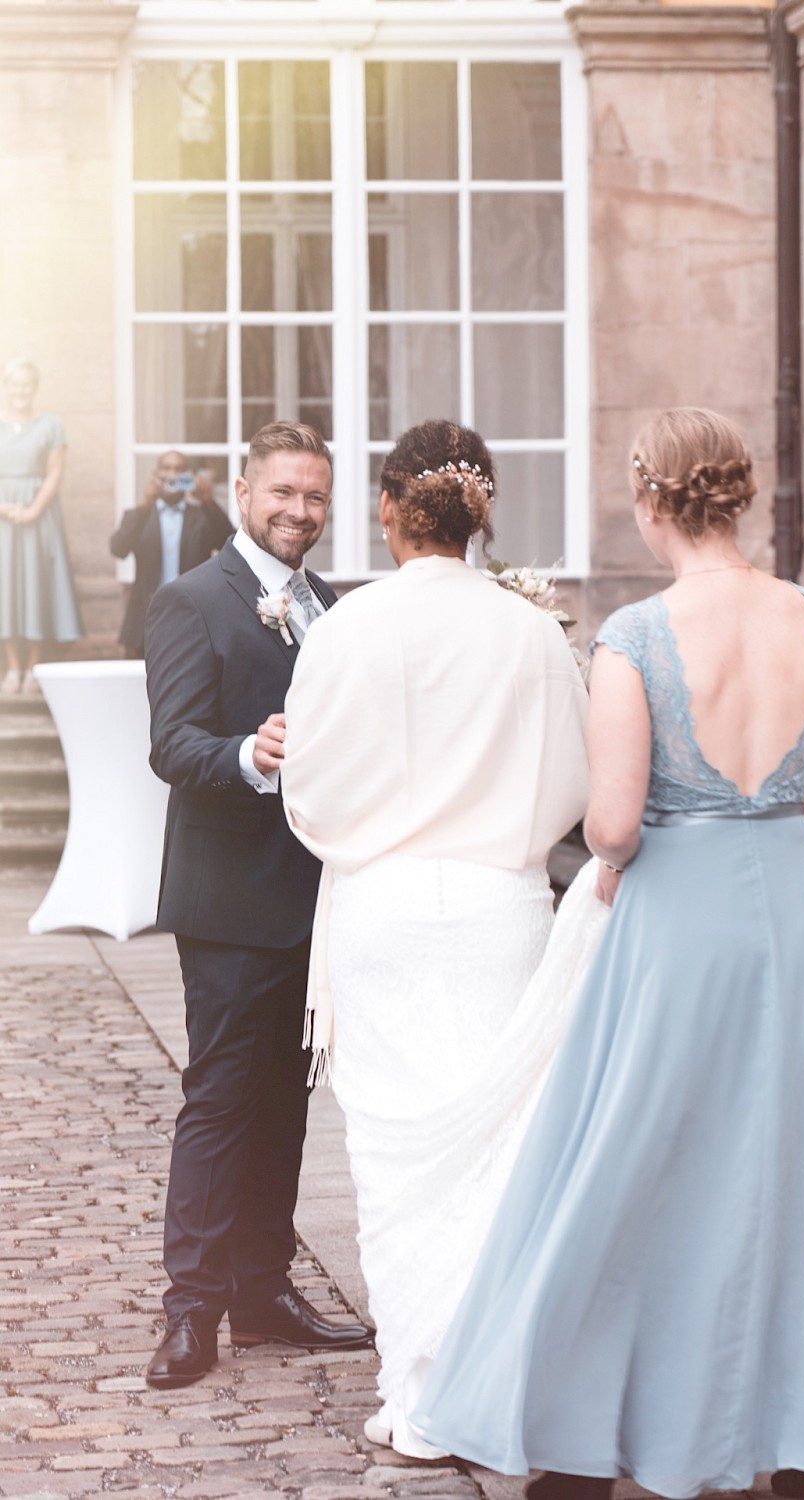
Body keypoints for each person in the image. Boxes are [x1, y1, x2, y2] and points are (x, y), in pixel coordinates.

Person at [412, 408, 804, 1500]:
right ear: (734, 496)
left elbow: (610, 825)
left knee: (632, 1161)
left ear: (652, 501)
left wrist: (630, 850)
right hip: (799, 913)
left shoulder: (635, 636)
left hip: (678, 923)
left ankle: (585, 1438)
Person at [280, 419, 595, 1457]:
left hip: (381, 912)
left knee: (393, 1162)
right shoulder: (531, 633)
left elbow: (311, 802)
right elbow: (573, 791)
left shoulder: (345, 631)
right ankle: (500, 1379)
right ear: (483, 513)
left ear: (385, 507)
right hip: (504, 911)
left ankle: (418, 1400)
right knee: (502, 1153)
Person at [143, 420, 372, 1391]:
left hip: (313, 901)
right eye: (283, 493)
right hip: (230, 900)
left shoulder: (329, 604)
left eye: (315, 497)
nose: (299, 512)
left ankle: (263, 1291)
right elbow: (172, 745)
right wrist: (249, 753)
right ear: (242, 493)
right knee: (222, 1099)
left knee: (286, 1102)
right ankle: (189, 1308)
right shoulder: (191, 600)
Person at [0, 357, 82, 694]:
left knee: (35, 587)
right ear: (6, 386)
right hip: (3, 516)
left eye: (26, 385)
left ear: (34, 388)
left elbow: (54, 473)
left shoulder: (50, 424)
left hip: (38, 514)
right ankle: (12, 668)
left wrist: (33, 509)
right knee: (6, 590)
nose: (20, 390)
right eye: (14, 384)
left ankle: (34, 666)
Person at [110, 450, 234, 657]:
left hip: (192, 616)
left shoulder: (203, 517)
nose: (172, 474)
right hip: (144, 618)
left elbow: (231, 545)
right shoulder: (139, 515)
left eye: (179, 470)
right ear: (156, 475)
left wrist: (208, 501)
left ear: (190, 476)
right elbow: (118, 548)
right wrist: (145, 503)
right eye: (166, 469)